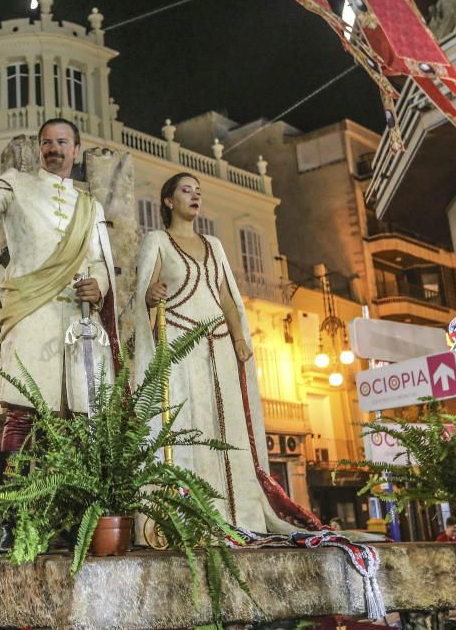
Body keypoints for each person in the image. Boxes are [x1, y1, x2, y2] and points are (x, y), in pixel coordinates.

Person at [0, 119, 120, 550]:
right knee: (21, 414)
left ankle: (72, 520)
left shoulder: (92, 207)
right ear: (38, 149)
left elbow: (101, 262)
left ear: (77, 149)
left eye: (62, 142)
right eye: (46, 142)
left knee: (78, 422)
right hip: (30, 314)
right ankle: (15, 520)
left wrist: (99, 286)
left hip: (78, 323)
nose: (53, 149)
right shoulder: (17, 184)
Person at [135, 172, 323, 534]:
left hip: (219, 345)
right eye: (186, 191)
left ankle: (240, 515)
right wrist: (149, 297)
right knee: (187, 427)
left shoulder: (216, 245)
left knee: (227, 427)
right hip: (178, 345)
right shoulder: (156, 240)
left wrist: (239, 339)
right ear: (168, 201)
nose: (195, 197)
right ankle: (185, 518)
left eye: (198, 192)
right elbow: (145, 292)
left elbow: (228, 300)